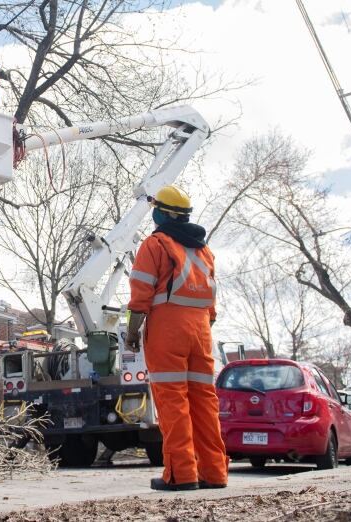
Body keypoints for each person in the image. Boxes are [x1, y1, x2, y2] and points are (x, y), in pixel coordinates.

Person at [124, 185, 228, 491]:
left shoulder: (155, 244)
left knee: (173, 402)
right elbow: (211, 304)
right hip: (201, 331)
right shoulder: (204, 250)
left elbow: (140, 296)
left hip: (169, 330)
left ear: (162, 214)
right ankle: (214, 473)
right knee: (204, 403)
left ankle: (181, 475)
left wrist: (132, 333)